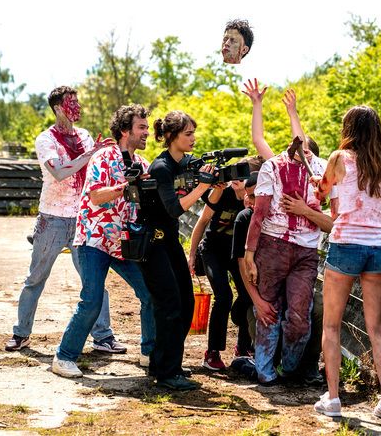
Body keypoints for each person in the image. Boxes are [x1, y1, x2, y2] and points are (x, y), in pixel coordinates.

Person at [5, 86, 122, 354]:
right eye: (72, 102)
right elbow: (59, 172)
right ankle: (21, 333)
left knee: (94, 280)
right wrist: (90, 154)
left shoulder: (84, 135)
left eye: (78, 101)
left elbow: (94, 169)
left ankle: (103, 337)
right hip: (52, 219)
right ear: (58, 107)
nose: (77, 106)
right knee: (36, 278)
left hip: (82, 219)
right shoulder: (46, 139)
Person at [51, 104, 157, 378]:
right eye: (141, 128)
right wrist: (125, 186)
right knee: (92, 300)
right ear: (125, 130)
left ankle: (150, 354)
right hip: (94, 239)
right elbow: (96, 196)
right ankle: (64, 357)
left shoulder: (143, 164)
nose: (146, 133)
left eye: (146, 127)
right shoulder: (104, 157)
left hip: (124, 244)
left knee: (149, 294)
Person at [241, 80, 331, 385]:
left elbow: (330, 213)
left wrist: (293, 111)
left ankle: (289, 369)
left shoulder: (318, 171)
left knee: (299, 317)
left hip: (304, 251)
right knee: (268, 312)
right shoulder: (274, 166)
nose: (300, 149)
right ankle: (266, 370)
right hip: (274, 246)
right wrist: (251, 254)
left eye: (305, 147)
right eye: (298, 145)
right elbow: (259, 139)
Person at [312, 106, 381, 421]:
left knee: (331, 326)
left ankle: (333, 399)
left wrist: (318, 183)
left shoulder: (338, 158)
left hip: (346, 244)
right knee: (376, 327)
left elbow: (321, 195)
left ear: (349, 129)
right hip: (377, 248)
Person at [138, 111, 216, 391]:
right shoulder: (162, 167)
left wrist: (214, 183)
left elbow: (211, 199)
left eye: (194, 133)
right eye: (188, 134)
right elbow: (174, 208)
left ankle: (166, 364)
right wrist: (203, 185)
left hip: (169, 240)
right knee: (169, 305)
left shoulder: (186, 163)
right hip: (153, 242)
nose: (193, 138)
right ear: (171, 137)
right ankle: (167, 373)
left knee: (185, 303)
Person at [188, 157, 262, 371]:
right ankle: (212, 352)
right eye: (234, 172)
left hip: (237, 254)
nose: (237, 178)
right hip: (213, 250)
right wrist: (192, 254)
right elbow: (202, 221)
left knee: (248, 295)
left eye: (243, 173)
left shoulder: (255, 199)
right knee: (224, 296)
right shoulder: (224, 192)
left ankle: (243, 347)